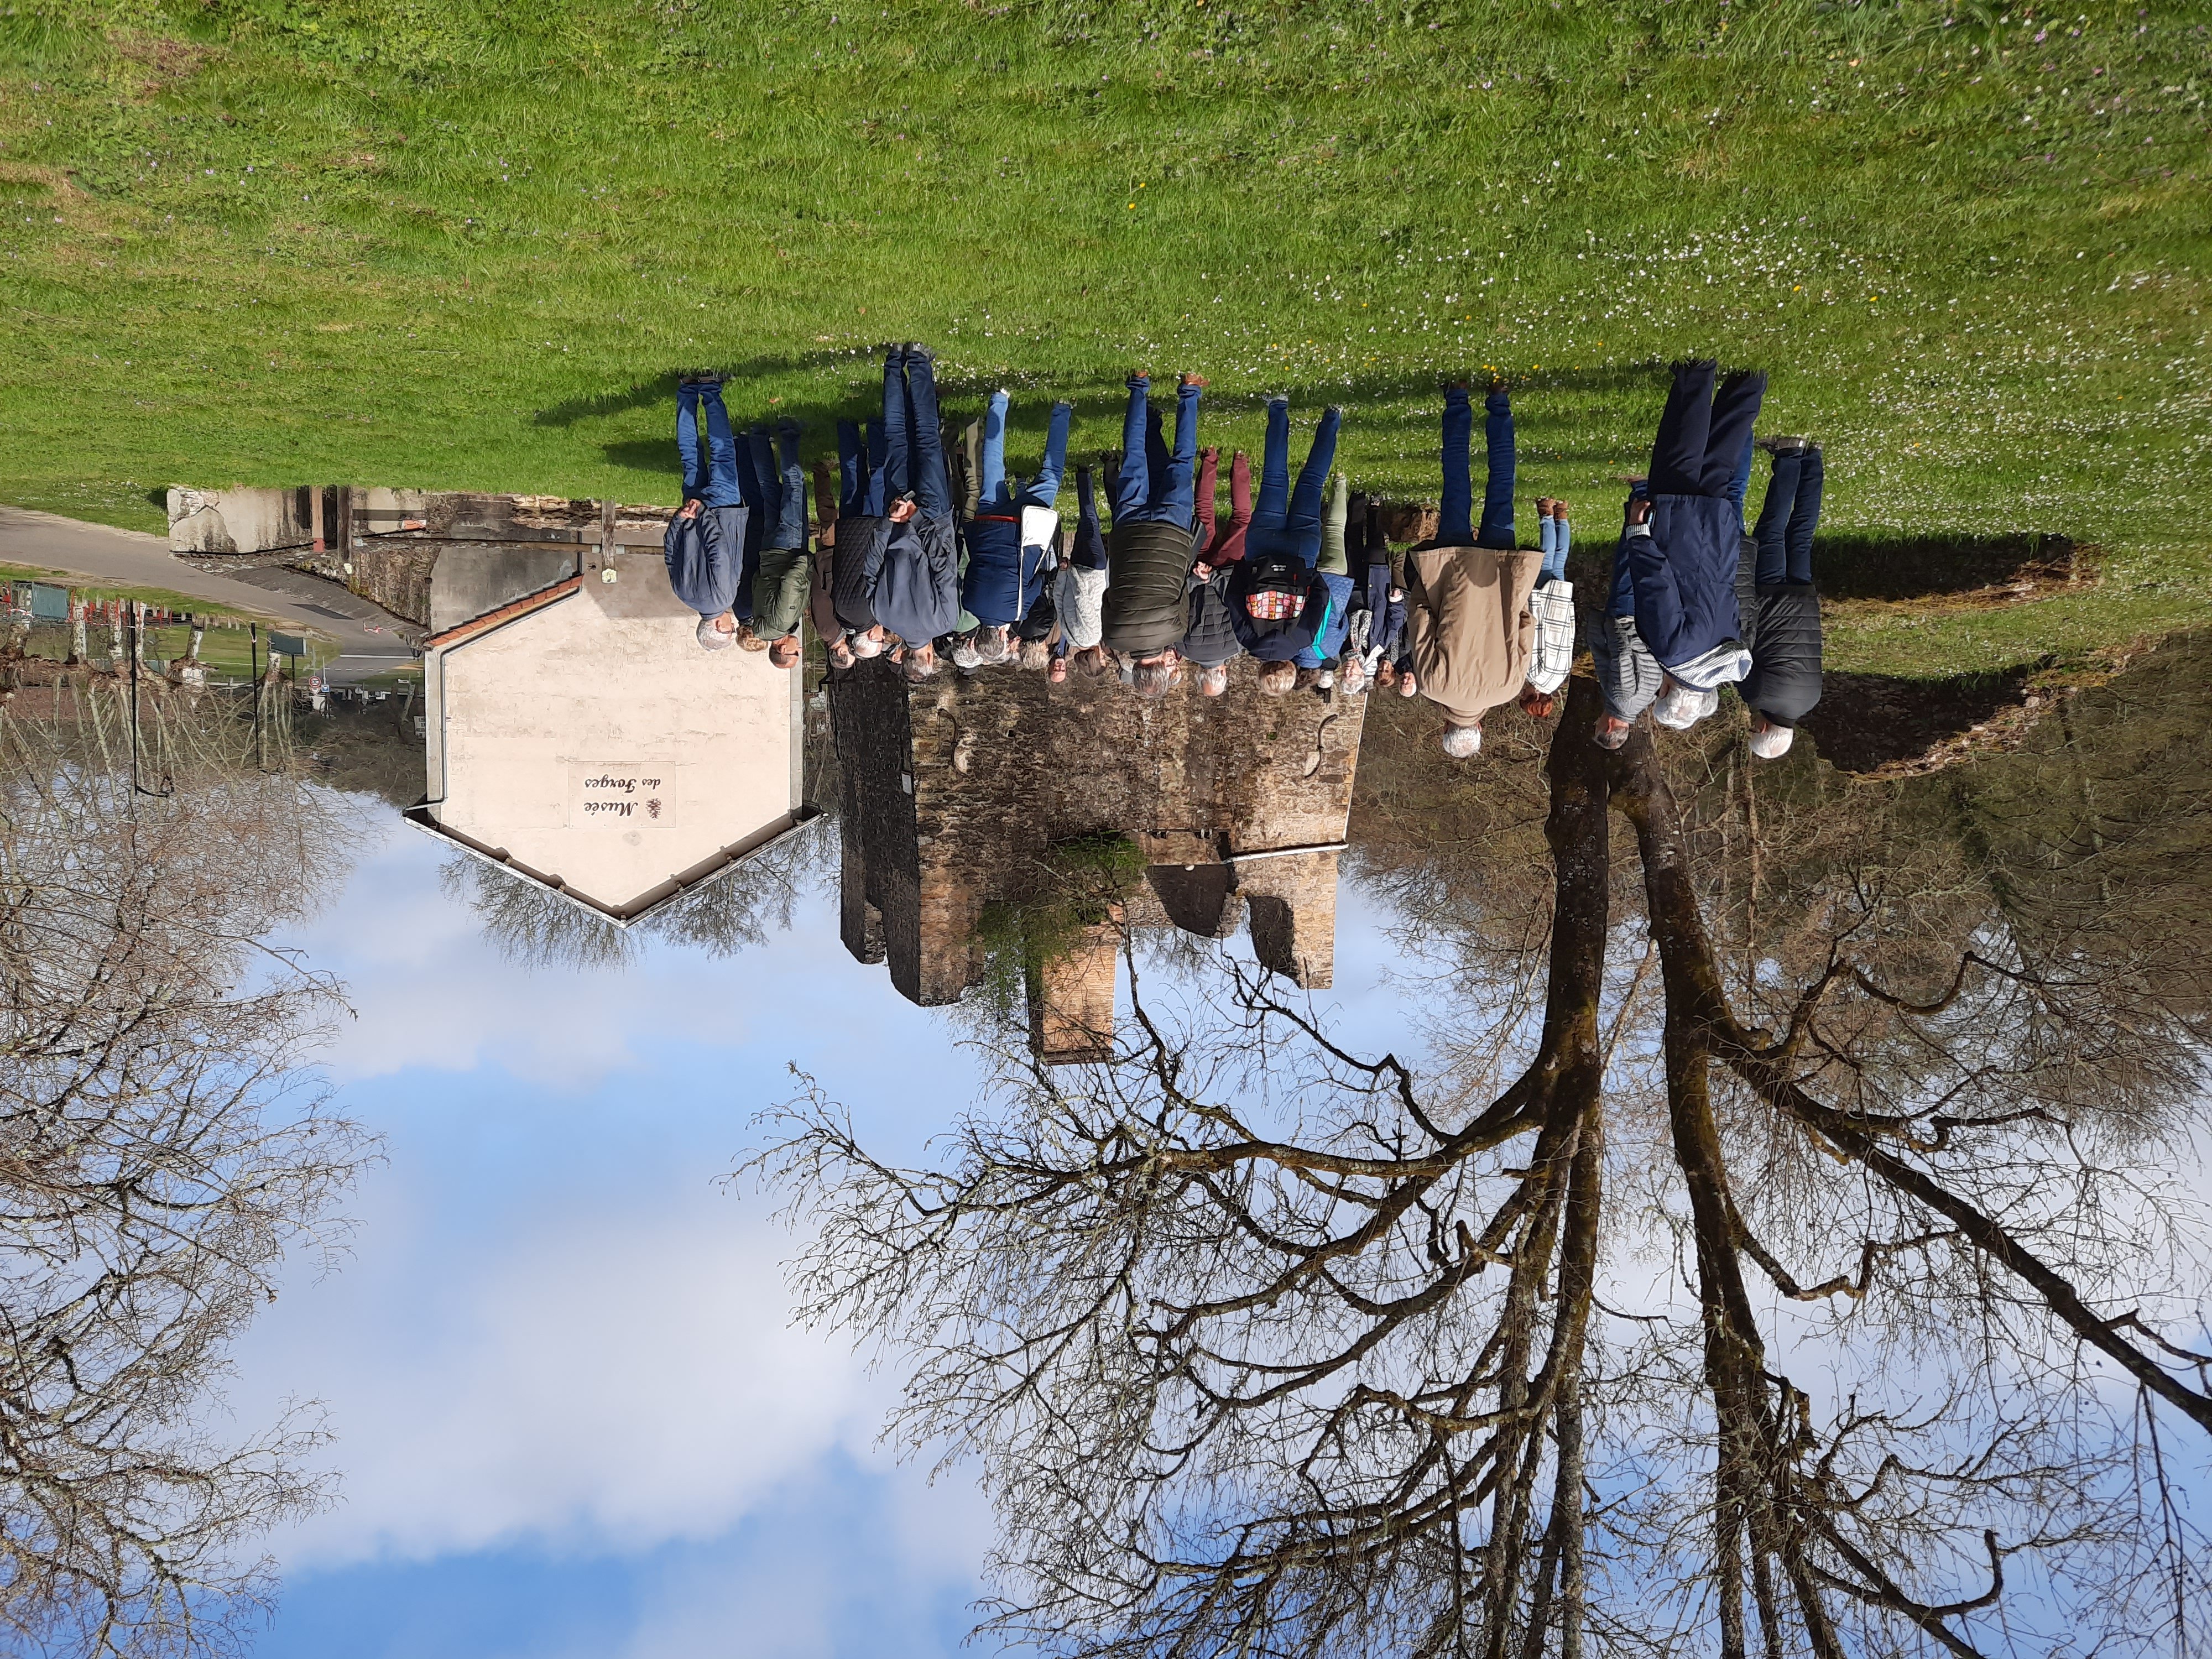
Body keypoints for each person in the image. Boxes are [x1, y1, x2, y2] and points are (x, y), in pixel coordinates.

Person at [1404, 382, 1545, 755]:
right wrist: (1426, 581)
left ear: (1480, 726)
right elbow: (1419, 619)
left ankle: (1500, 403)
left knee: (1502, 487)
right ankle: (1457, 399)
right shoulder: (1433, 686)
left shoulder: (1509, 688)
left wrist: (1514, 593)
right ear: (1445, 727)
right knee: (1456, 486)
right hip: (1452, 572)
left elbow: (1527, 625)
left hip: (1500, 576)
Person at [1621, 359, 1766, 703]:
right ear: (1668, 692)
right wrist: (1639, 535)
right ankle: (1696, 374)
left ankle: (1749, 385)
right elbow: (1656, 586)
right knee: (1679, 455)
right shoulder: (1674, 653)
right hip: (1679, 539)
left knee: (1719, 463)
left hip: (1719, 544)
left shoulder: (1729, 652)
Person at [1100, 372, 1205, 697]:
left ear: (1163, 667)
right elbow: (1107, 596)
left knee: (1183, 463)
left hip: (1171, 534)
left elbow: (1184, 588)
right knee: (1134, 456)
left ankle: (1190, 390)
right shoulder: (1113, 637)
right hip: (1129, 535)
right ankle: (1138, 386)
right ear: (1135, 670)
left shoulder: (1177, 629)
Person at [1227, 397, 1343, 671]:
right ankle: (1278, 408)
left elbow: (1323, 598)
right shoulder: (1246, 638)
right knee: (1274, 478)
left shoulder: (1304, 639)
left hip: (1302, 555)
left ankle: (1333, 416)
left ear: (1289, 668)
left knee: (1313, 483)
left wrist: (1309, 572)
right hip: (1261, 552)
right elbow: (1232, 596)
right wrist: (1248, 567)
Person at [961, 389, 1073, 666]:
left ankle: (1062, 408)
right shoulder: (969, 605)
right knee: (993, 468)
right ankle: (999, 400)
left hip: (1020, 531)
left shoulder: (1017, 613)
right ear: (976, 639)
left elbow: (1035, 582)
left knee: (1050, 476)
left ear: (1002, 636)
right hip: (986, 528)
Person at [872, 343, 960, 680]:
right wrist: (889, 522)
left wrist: (918, 518)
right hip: (895, 519)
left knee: (926, 441)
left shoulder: (944, 621)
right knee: (896, 439)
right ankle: (894, 361)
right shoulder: (882, 614)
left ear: (929, 659)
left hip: (931, 519)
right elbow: (872, 563)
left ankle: (919, 360)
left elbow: (943, 564)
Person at [1736, 437, 1825, 758]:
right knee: (1772, 530)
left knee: (1802, 533)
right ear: (1762, 729)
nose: (1750, 722)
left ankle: (1813, 459)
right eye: (1752, 728)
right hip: (1771, 599)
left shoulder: (1811, 699)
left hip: (1804, 600)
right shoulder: (1757, 696)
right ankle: (1789, 454)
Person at [665, 375, 750, 650]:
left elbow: (719, 550)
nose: (734, 626)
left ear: (716, 627)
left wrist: (703, 515)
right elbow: (669, 551)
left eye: (729, 631)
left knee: (723, 452)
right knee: (690, 454)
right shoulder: (682, 594)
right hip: (692, 511)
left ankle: (711, 389)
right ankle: (687, 391)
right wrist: (682, 517)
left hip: (721, 512)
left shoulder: (724, 598)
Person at [1588, 481, 1665, 749]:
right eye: (1597, 725)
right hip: (1627, 620)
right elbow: (1621, 655)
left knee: (1640, 561)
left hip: (1645, 623)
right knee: (1629, 559)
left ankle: (1645, 505)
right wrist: (1613, 625)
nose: (1596, 721)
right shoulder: (1620, 700)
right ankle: (1643, 493)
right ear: (1608, 726)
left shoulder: (1646, 700)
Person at [748, 419, 811, 669]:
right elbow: (756, 581)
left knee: (794, 489)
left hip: (789, 549)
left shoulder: (782, 623)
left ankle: (789, 436)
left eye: (797, 654)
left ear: (783, 649)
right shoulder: (759, 621)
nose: (801, 649)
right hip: (768, 552)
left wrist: (806, 561)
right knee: (769, 491)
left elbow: (791, 582)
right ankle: (757, 438)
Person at [830, 416, 891, 662]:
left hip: (869, 534)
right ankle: (847, 428)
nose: (883, 635)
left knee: (879, 478)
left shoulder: (873, 611)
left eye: (880, 639)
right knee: (852, 479)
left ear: (871, 637)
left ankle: (877, 428)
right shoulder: (842, 613)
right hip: (847, 534)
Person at [1051, 463, 1113, 685]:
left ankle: (1084, 474)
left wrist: (1074, 574)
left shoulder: (1093, 636)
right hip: (1073, 571)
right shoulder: (1070, 636)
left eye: (1103, 659)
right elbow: (1059, 601)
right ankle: (1084, 478)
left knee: (1091, 523)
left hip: (1090, 573)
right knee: (1085, 525)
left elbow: (1082, 600)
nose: (1105, 654)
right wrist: (1065, 573)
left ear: (1094, 658)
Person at [1525, 496, 1575, 702]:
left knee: (1560, 561)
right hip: (1544, 607)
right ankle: (1546, 511)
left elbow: (1570, 638)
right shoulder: (1535, 676)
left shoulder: (1562, 676)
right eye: (1525, 696)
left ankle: (1561, 513)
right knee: (1545, 561)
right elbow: (1534, 638)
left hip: (1561, 608)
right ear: (1534, 696)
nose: (1523, 691)